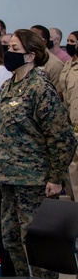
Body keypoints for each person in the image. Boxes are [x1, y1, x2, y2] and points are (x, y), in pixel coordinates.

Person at [0, 29, 76, 279]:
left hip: (34, 178)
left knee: (36, 241)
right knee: (14, 240)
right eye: (7, 46)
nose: (8, 52)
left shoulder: (39, 88)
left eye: (15, 48)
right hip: (10, 178)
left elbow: (62, 136)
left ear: (30, 55)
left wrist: (55, 177)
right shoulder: (8, 87)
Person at [62, 30, 78, 200]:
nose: (70, 44)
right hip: (70, 126)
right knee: (70, 175)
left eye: (73, 41)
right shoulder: (68, 65)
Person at [30, 24, 64, 92]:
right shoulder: (27, 59)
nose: (29, 40)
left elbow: (58, 94)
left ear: (44, 41)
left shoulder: (55, 64)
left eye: (33, 37)